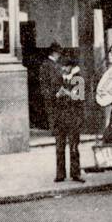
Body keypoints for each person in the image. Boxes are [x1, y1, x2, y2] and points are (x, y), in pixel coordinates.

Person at [53, 56, 86, 182]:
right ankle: (60, 174)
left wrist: (65, 93)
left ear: (70, 66)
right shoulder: (61, 78)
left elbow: (80, 96)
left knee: (73, 146)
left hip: (73, 117)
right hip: (61, 117)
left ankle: (75, 173)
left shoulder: (78, 77)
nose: (62, 69)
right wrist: (57, 94)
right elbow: (54, 95)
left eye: (64, 66)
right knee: (59, 146)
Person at [38, 42, 66, 180]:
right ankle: (61, 173)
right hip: (56, 104)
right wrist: (54, 95)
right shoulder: (47, 65)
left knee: (60, 140)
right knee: (59, 138)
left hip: (61, 104)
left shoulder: (57, 65)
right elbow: (45, 86)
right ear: (55, 52)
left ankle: (61, 174)